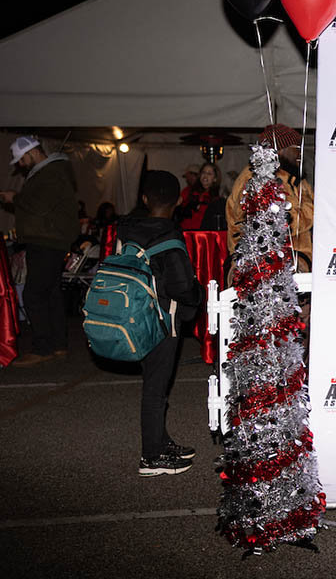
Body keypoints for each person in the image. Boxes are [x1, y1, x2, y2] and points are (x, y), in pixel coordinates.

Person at [116, 171, 203, 476]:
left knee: (154, 382)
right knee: (156, 388)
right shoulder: (169, 236)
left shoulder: (127, 230)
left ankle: (161, 441)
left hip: (135, 317)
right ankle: (151, 456)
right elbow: (181, 286)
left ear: (143, 199)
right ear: (179, 200)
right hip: (164, 322)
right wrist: (198, 293)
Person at [0, 137, 79, 367]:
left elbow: (40, 205)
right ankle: (58, 345)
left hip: (47, 241)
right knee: (51, 294)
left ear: (33, 152)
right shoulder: (49, 171)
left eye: (21, 159)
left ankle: (42, 347)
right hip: (50, 240)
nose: (20, 164)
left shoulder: (52, 172)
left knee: (33, 295)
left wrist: (15, 198)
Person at [226, 125, 314, 273]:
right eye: (296, 148)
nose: (300, 153)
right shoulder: (257, 178)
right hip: (264, 267)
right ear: (279, 150)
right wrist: (312, 210)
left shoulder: (295, 179)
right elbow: (277, 224)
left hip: (295, 262)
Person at [177, 162, 222, 230]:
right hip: (186, 233)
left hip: (202, 235)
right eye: (203, 172)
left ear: (215, 179)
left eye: (209, 174)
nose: (205, 176)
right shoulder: (190, 192)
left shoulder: (216, 199)